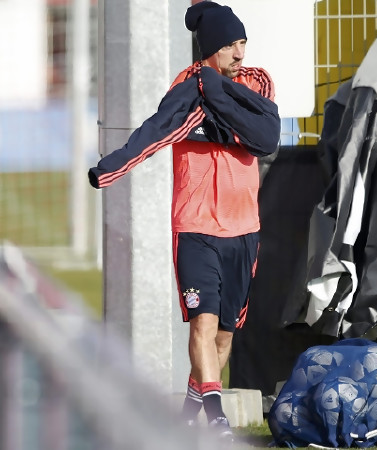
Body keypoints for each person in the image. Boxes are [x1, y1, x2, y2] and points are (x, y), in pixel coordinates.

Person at [88, 1, 280, 442]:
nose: (240, 53)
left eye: (242, 43)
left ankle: (189, 415)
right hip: (195, 229)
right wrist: (109, 169)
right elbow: (155, 133)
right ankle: (217, 423)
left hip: (244, 231)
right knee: (203, 324)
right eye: (230, 45)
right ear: (210, 47)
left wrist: (215, 103)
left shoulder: (259, 81)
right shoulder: (184, 87)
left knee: (224, 338)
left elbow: (265, 137)